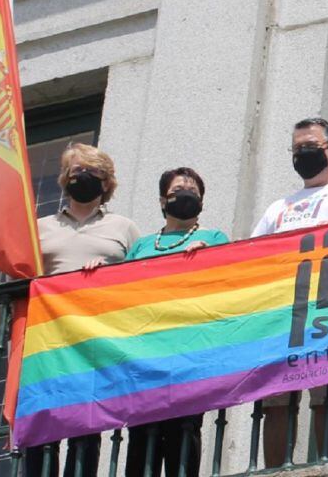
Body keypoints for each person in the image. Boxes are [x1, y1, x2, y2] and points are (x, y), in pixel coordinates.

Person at [252, 118, 328, 466]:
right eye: (297, 148)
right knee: (276, 400)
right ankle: (275, 471)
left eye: (309, 146)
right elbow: (252, 254)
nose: (302, 153)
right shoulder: (277, 208)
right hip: (282, 315)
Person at [26, 143, 142, 477]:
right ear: (64, 179)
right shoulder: (41, 227)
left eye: (91, 173)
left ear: (106, 184)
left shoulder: (124, 228)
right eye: (76, 171)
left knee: (86, 421)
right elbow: (21, 277)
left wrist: (107, 274)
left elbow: (140, 277)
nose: (82, 177)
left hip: (97, 335)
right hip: (49, 335)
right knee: (44, 417)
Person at [125, 167, 229, 477]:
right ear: (161, 201)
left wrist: (209, 257)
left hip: (188, 350)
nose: (185, 195)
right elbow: (121, 289)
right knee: (142, 433)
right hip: (145, 350)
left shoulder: (213, 238)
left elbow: (228, 280)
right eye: (177, 191)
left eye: (192, 192)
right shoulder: (141, 245)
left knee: (184, 429)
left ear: (201, 203)